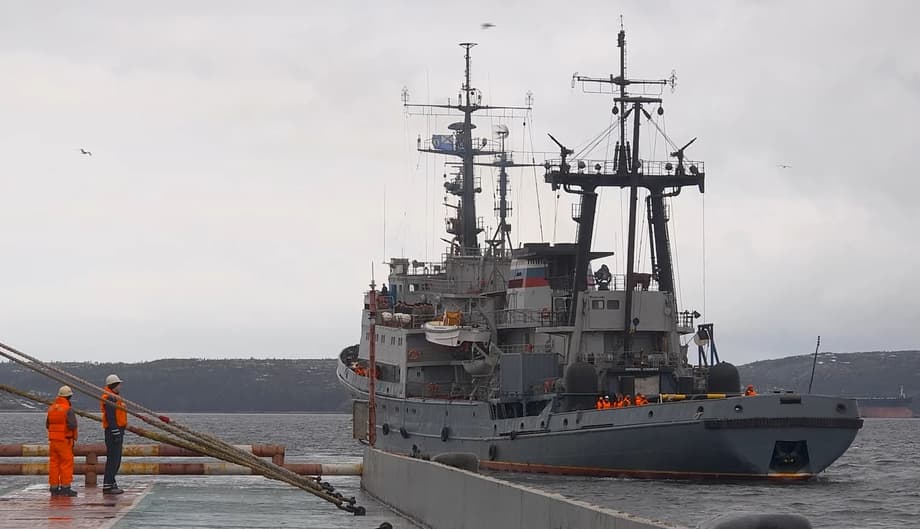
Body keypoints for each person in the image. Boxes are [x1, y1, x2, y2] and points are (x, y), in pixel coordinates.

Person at [46, 385, 78, 497]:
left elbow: (47, 424)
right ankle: (65, 488)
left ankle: (54, 488)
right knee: (66, 464)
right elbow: (73, 425)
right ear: (69, 396)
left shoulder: (51, 408)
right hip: (64, 441)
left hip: (53, 441)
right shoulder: (68, 409)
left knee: (54, 464)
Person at [100, 374, 127, 495]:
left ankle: (112, 483)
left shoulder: (114, 397)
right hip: (113, 432)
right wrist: (116, 432)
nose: (120, 386)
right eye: (119, 384)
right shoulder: (110, 398)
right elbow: (111, 417)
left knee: (116, 459)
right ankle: (108, 485)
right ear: (114, 385)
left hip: (117, 430)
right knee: (113, 459)